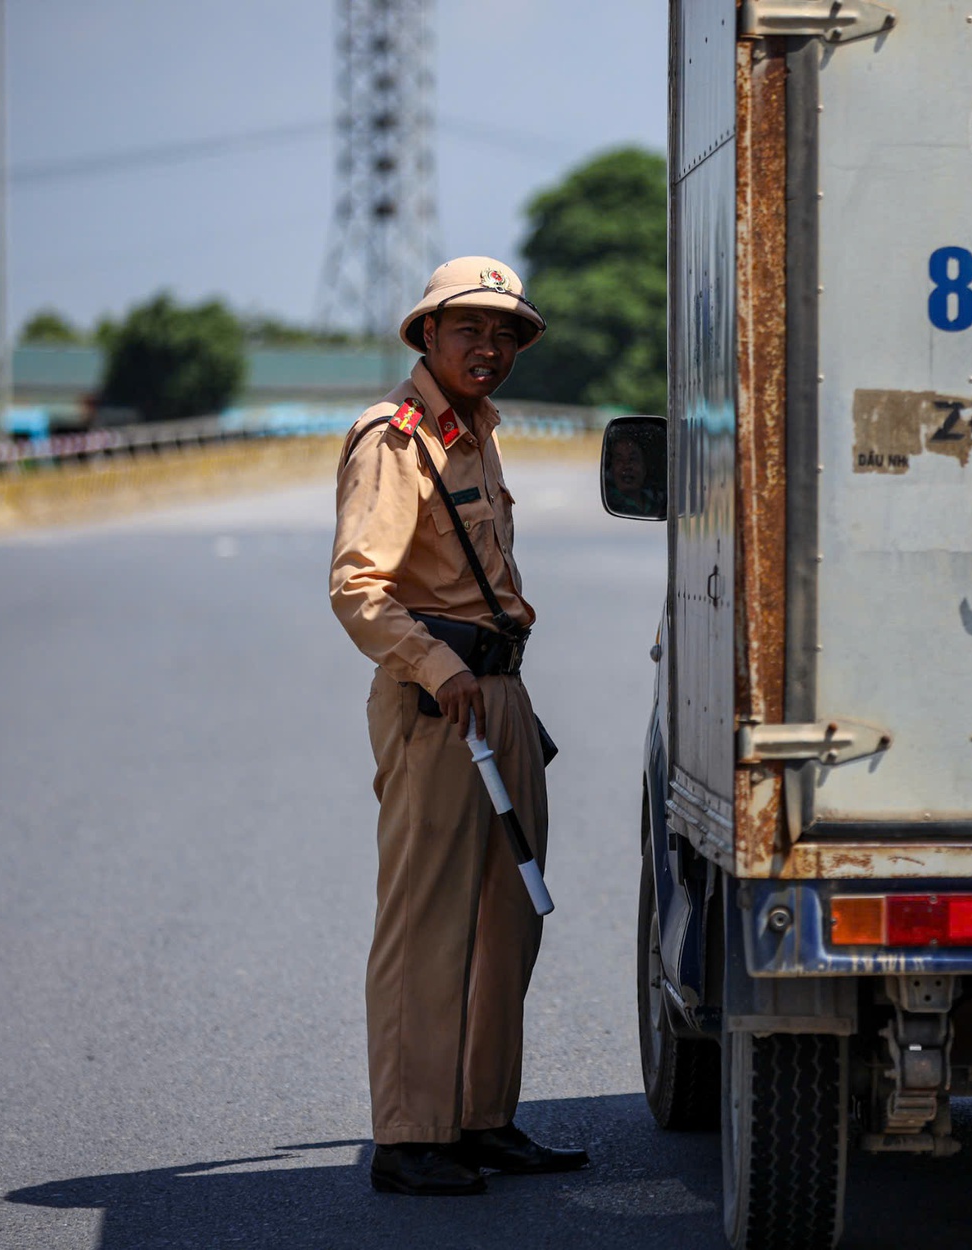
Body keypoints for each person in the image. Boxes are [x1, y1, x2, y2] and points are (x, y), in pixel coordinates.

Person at [329, 256, 588, 1196]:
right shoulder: (395, 440)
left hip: (501, 693)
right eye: (469, 329)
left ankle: (480, 1119)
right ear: (427, 336)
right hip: (439, 701)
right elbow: (358, 589)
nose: (490, 347)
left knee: (507, 917)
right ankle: (409, 1136)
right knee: (428, 921)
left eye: (506, 333)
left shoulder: (475, 433)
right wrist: (438, 670)